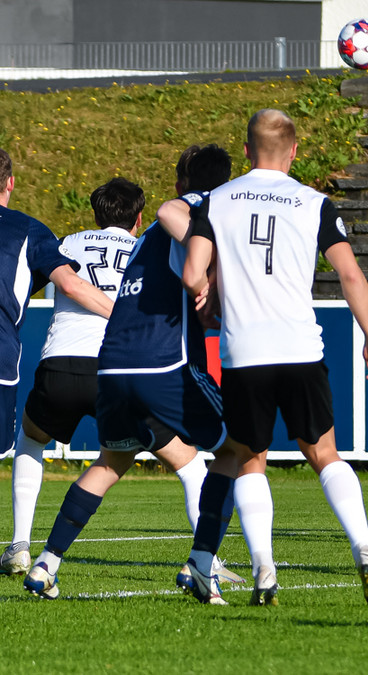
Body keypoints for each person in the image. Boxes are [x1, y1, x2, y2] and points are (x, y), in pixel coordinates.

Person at [181, 109, 368, 606]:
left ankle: (264, 571)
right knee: (324, 454)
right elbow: (351, 275)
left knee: (249, 458)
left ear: (247, 150)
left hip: (244, 351)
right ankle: (365, 551)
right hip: (299, 347)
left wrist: (210, 292)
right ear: (294, 151)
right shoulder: (315, 202)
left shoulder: (216, 200)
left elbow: (192, 274)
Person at [22, 153, 242, 600]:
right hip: (150, 364)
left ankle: (41, 560)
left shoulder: (85, 242)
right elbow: (189, 267)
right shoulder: (179, 226)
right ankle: (205, 563)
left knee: (107, 460)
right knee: (232, 450)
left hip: (97, 364)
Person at [0, 149, 116, 566]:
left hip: (42, 362)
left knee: (31, 438)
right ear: (10, 183)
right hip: (5, 358)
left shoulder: (42, 234)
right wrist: (123, 316)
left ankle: (20, 544)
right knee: (175, 451)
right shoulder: (29, 229)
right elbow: (69, 283)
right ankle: (207, 555)